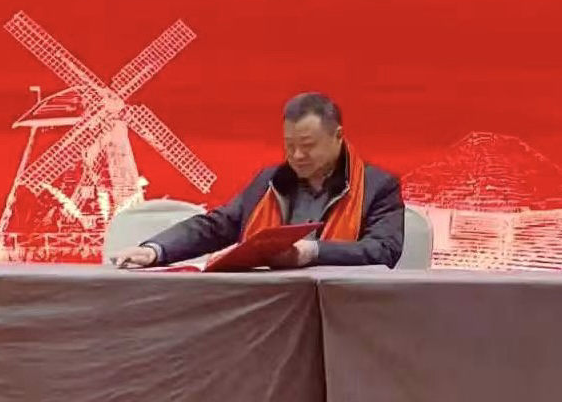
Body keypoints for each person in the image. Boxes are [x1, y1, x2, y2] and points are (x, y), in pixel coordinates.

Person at [112, 92, 405, 269]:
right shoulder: (270, 181)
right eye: (289, 145)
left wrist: (312, 252)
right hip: (266, 305)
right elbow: (217, 225)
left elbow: (383, 250)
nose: (297, 155)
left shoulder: (377, 186)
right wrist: (156, 250)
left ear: (338, 136)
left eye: (307, 145)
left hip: (339, 307)